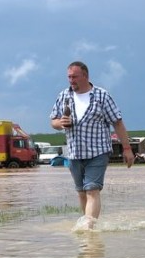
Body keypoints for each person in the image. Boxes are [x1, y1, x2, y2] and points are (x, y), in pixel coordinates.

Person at [50, 61, 134, 230]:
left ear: (85, 76)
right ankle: (89, 224)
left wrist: (127, 149)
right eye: (69, 77)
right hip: (74, 153)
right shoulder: (64, 96)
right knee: (81, 192)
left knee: (92, 190)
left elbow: (117, 123)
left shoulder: (102, 96)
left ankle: (88, 229)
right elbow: (53, 121)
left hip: (98, 152)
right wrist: (60, 123)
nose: (71, 80)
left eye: (74, 77)